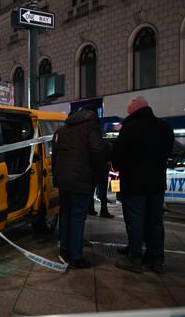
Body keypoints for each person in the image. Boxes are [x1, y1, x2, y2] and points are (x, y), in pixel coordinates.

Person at [112, 96, 174, 273]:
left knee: (136, 221)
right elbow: (168, 152)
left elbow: (117, 158)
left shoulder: (130, 128)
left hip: (134, 183)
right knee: (156, 222)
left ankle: (135, 259)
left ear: (133, 112)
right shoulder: (164, 127)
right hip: (156, 183)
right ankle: (157, 260)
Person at [52, 104, 105, 269]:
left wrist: (57, 175)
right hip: (81, 179)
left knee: (66, 214)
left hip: (63, 179)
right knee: (77, 217)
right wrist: (96, 173)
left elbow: (55, 155)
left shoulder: (62, 129)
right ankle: (76, 256)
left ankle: (65, 250)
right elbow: (98, 150)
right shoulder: (91, 126)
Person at [89, 139, 114, 218]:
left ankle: (90, 209)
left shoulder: (89, 144)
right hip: (103, 169)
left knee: (91, 190)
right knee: (103, 192)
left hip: (92, 169)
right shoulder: (106, 144)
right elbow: (109, 159)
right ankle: (104, 210)